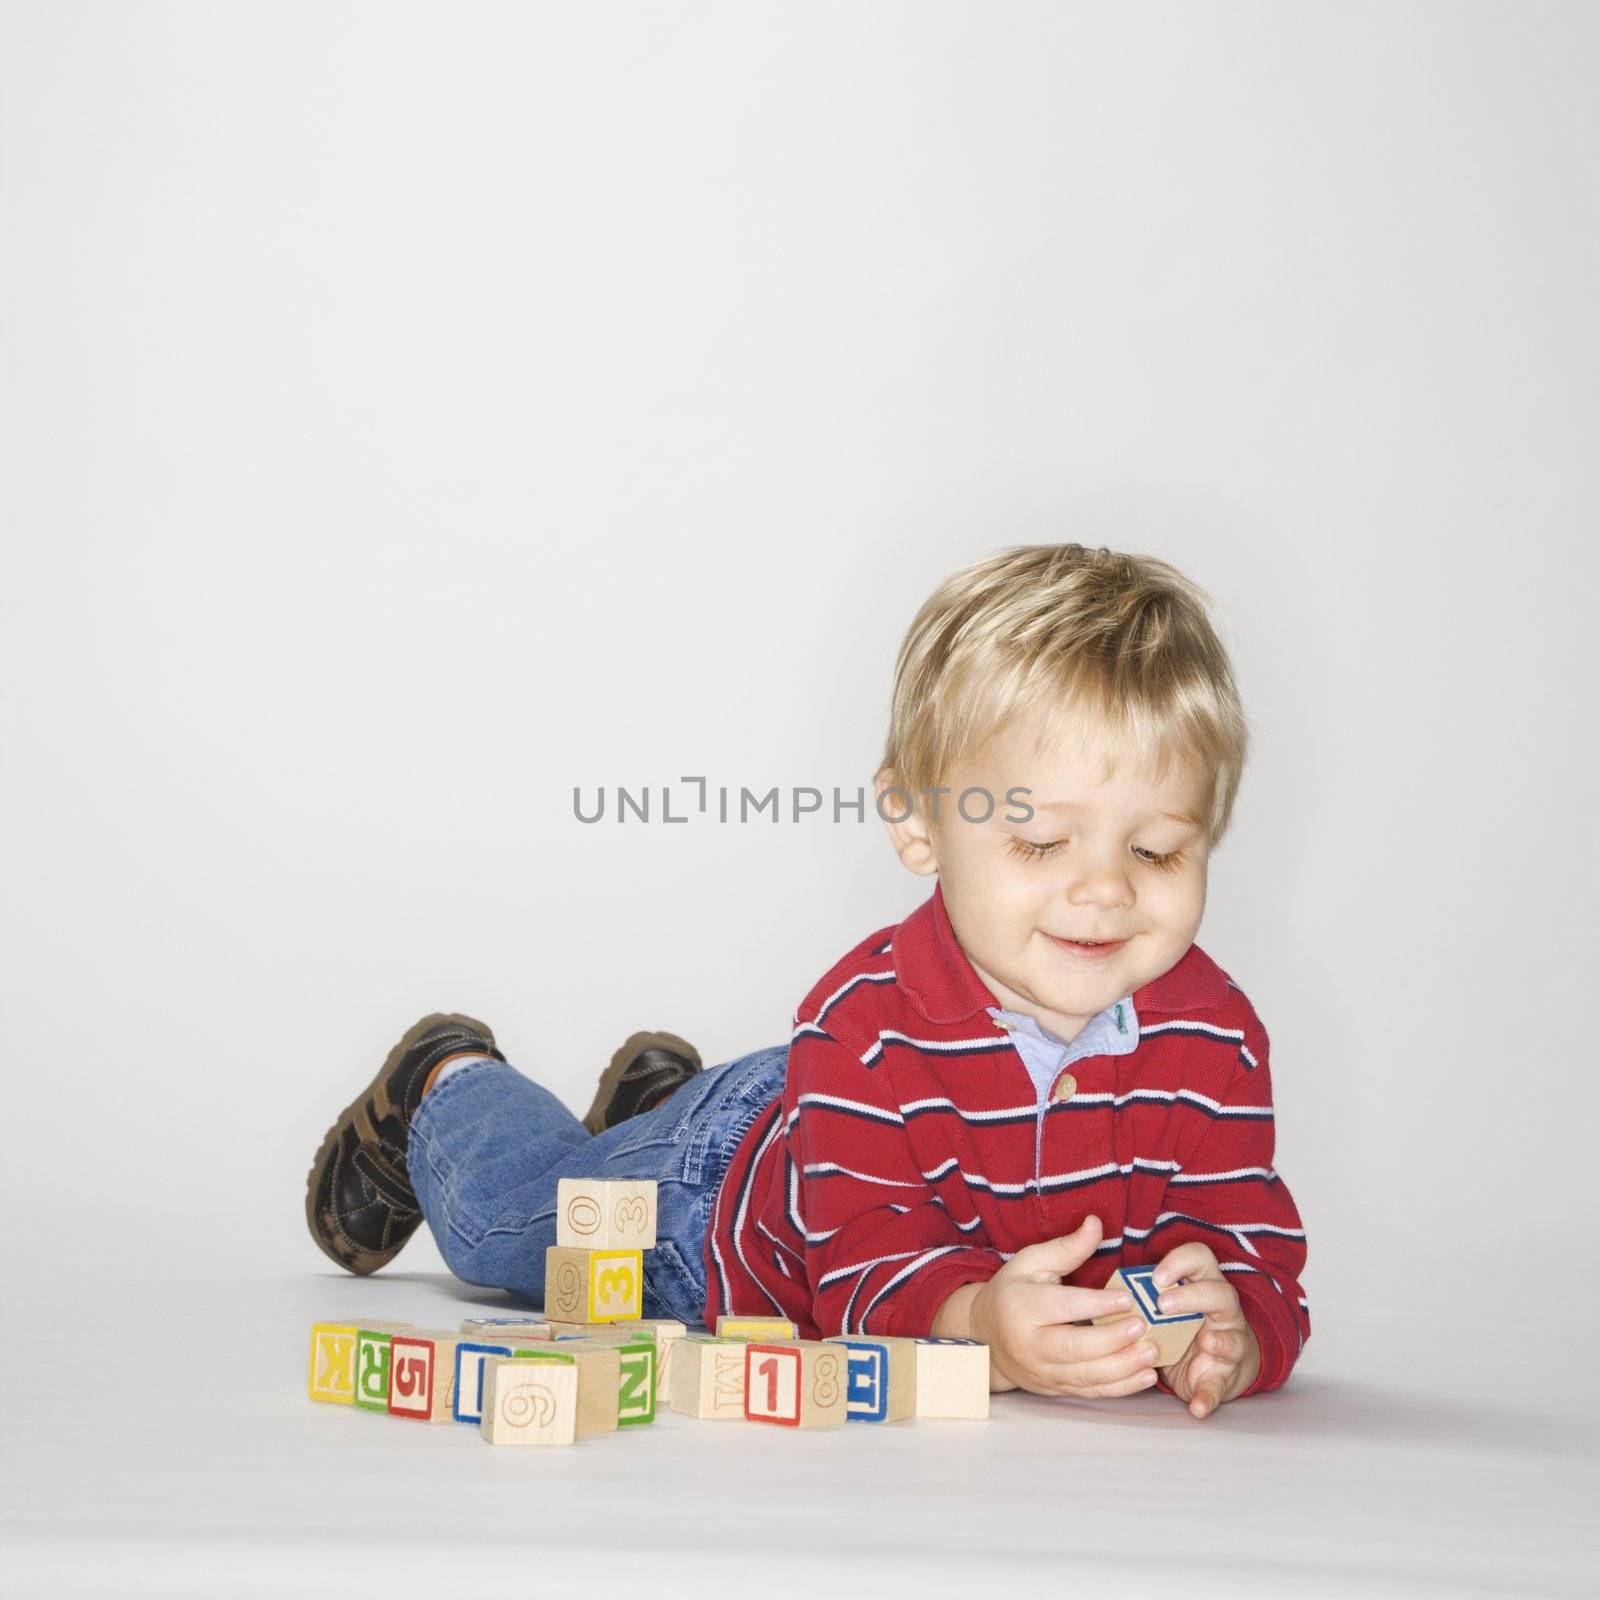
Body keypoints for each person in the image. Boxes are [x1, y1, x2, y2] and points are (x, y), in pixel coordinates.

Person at [305, 543, 1310, 1419]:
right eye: (1041, 841)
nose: (1103, 892)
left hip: (814, 1132)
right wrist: (980, 1332)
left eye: (1158, 850)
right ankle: (451, 1085)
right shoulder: (864, 1023)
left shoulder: (1214, 1038)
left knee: (622, 1168)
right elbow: (857, 1272)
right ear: (919, 824)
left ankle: (653, 1101)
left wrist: (1240, 1328)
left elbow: (1249, 1244)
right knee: (504, 1234)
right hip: (721, 1205)